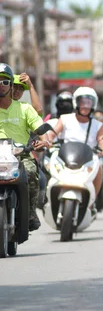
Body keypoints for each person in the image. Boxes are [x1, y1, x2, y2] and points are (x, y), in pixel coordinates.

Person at [0, 63, 52, 231]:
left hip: (20, 156)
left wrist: (44, 141)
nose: (3, 86)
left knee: (30, 171)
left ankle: (29, 213)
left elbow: (40, 125)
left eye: (5, 82)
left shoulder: (24, 109)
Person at [47, 87, 103, 203]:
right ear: (76, 102)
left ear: (94, 105)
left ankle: (92, 202)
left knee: (100, 167)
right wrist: (48, 140)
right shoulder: (65, 119)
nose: (85, 106)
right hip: (64, 157)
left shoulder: (97, 125)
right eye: (82, 102)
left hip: (87, 159)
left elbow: (102, 139)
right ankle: (49, 199)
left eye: (89, 102)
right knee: (47, 167)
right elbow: (53, 133)